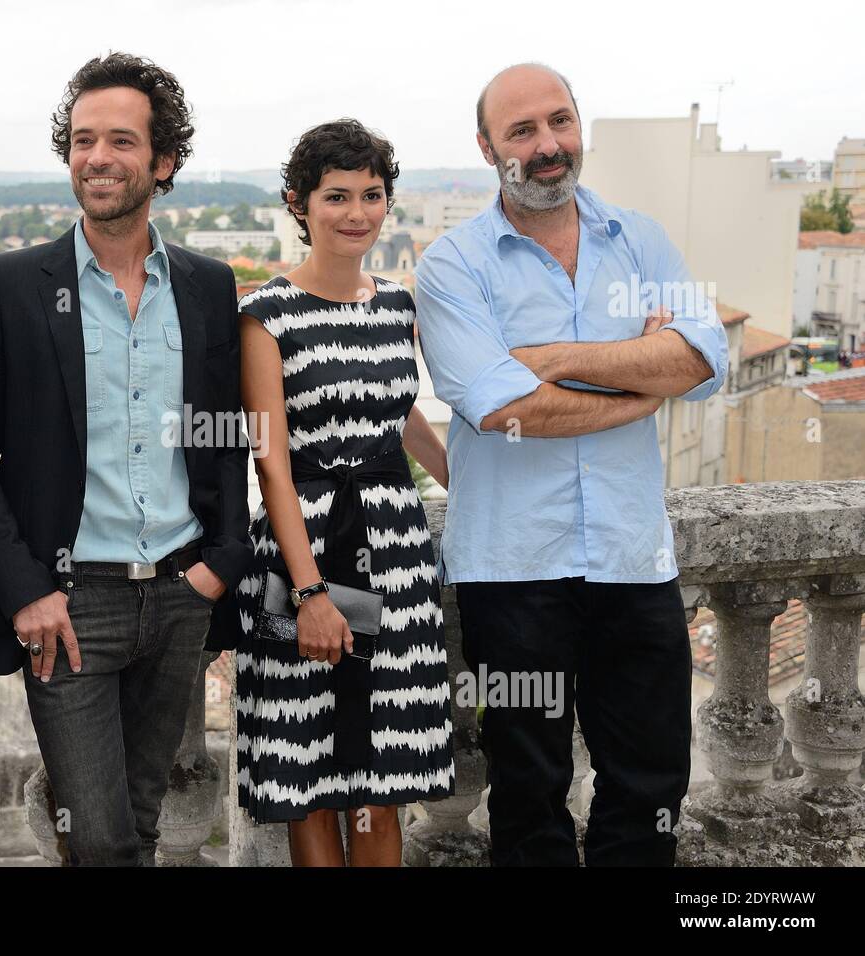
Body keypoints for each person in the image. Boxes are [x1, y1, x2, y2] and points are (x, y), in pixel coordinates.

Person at [416, 63, 730, 866]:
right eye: (522, 131)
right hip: (512, 568)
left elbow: (702, 359)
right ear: (487, 147)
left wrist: (552, 357)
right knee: (528, 787)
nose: (548, 145)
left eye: (559, 121)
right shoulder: (453, 265)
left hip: (632, 558)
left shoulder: (641, 237)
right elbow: (504, 407)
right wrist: (636, 377)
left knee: (651, 781)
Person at [0, 52, 252, 866]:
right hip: (70, 606)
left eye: (121, 140)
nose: (97, 158)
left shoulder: (208, 284)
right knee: (104, 839)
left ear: (164, 161)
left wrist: (223, 561)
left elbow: (226, 437)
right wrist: (26, 591)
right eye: (83, 140)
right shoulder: (11, 283)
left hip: (184, 595)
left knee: (143, 827)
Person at [226, 119, 454, 866]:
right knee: (310, 781)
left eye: (372, 195)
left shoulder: (397, 306)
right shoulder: (267, 316)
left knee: (386, 780)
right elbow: (272, 466)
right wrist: (309, 592)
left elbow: (398, 412)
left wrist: (464, 481)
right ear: (300, 204)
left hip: (396, 556)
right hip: (308, 551)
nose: (357, 212)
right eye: (337, 196)